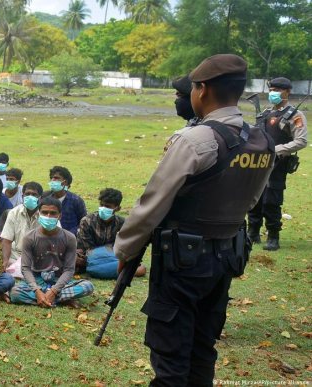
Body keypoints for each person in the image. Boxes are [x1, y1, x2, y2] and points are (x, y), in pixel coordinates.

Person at [113, 54, 275, 386]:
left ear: (200, 90)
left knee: (171, 355)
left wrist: (125, 252)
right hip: (227, 257)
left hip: (182, 262)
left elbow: (152, 204)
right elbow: (252, 200)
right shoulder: (262, 141)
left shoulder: (195, 141)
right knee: (203, 349)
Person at [247, 77, 309, 251]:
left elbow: (301, 141)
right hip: (258, 163)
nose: (273, 93)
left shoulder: (294, 115)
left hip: (278, 163)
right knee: (254, 198)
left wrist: (277, 149)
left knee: (271, 200)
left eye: (277, 90)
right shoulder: (265, 113)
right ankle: (253, 232)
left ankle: (273, 235)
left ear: (287, 92)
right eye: (271, 89)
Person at [10, 197, 95, 308]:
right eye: (45, 213)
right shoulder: (30, 237)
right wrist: (37, 290)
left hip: (59, 280)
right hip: (37, 280)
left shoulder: (69, 237)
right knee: (14, 293)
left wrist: (55, 290)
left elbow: (69, 270)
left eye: (53, 213)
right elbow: (25, 268)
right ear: (39, 214)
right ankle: (59, 300)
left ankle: (46, 299)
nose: (48, 216)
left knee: (88, 286)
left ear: (59, 216)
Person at [75, 188, 146, 279]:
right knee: (75, 259)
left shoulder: (123, 223)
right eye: (101, 205)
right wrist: (109, 250)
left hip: (113, 257)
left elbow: (124, 247)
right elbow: (87, 248)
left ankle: (100, 269)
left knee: (135, 262)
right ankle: (124, 271)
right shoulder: (87, 221)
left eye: (108, 206)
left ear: (117, 208)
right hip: (91, 256)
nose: (103, 209)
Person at [1, 182, 43, 274]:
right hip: (17, 255)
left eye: (34, 194)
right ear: (22, 195)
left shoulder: (46, 214)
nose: (30, 196)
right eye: (27, 194)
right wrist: (5, 261)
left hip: (39, 256)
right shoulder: (14, 213)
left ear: (40, 197)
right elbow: (7, 241)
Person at [43, 166, 86, 235]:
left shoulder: (76, 200)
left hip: (70, 240)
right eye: (51, 178)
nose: (52, 180)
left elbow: (84, 223)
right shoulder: (45, 199)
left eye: (56, 178)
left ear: (65, 182)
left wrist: (67, 234)